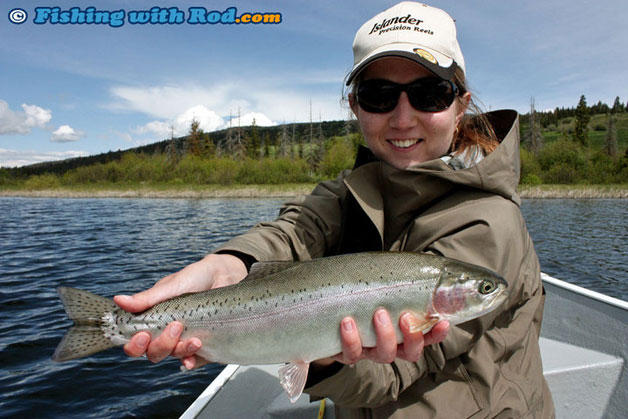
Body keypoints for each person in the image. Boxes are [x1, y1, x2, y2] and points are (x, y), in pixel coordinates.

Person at [114, 2, 555, 417]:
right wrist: (228, 263)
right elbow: (295, 231)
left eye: (429, 93)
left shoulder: (491, 221)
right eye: (379, 95)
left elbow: (392, 373)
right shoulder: (352, 189)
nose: (402, 118)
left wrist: (321, 360)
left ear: (460, 104)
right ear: (355, 106)